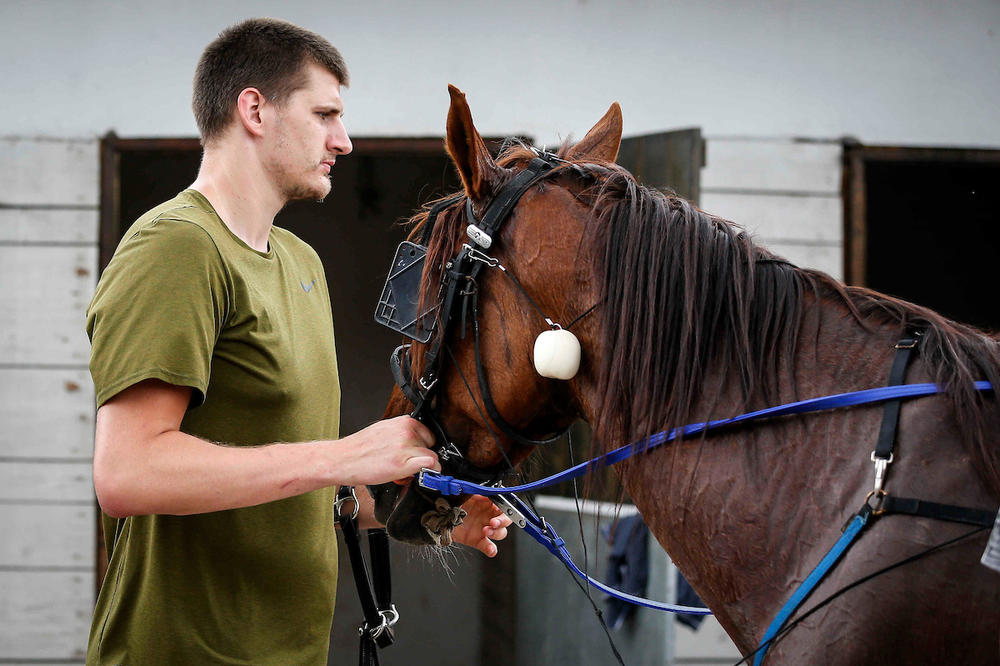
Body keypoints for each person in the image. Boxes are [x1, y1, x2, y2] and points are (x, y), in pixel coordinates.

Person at [85, 18, 510, 665]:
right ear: (254, 109)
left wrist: (429, 513)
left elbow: (303, 489)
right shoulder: (177, 247)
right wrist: (343, 454)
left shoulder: (300, 262)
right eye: (325, 114)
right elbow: (128, 473)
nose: (342, 140)